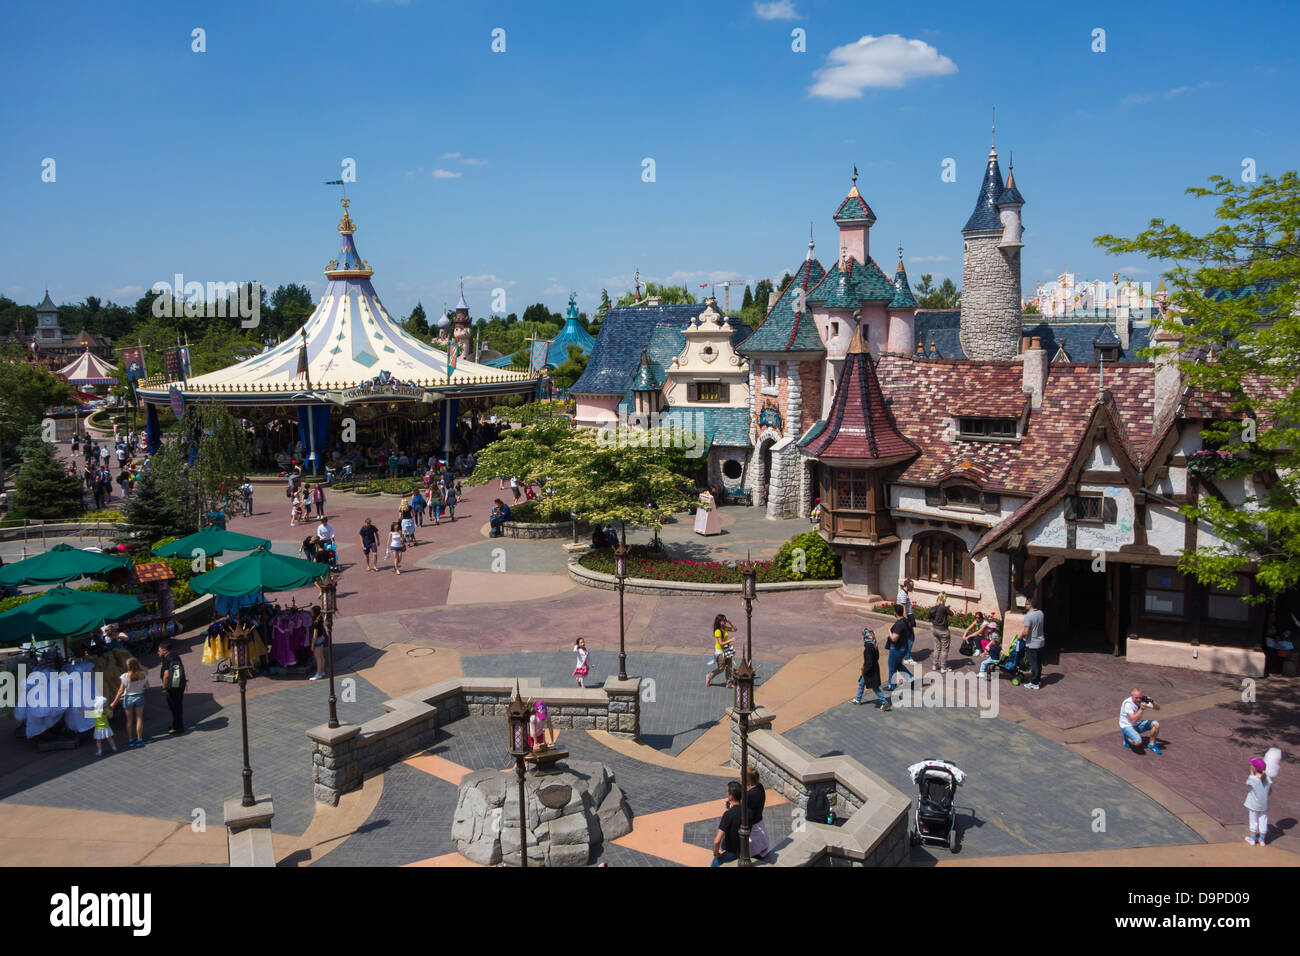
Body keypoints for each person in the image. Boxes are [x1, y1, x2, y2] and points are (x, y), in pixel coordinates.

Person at [109, 657, 149, 748]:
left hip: (128, 698)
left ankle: (131, 740)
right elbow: (147, 687)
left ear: (128, 666)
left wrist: (113, 703)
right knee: (139, 719)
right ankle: (139, 739)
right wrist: (139, 688)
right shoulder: (143, 674)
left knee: (129, 720)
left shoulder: (124, 676)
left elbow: (120, 691)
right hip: (139, 696)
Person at [850, 627, 891, 710]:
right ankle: (858, 699)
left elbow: (869, 662)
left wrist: (864, 670)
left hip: (870, 670)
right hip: (873, 668)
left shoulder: (868, 649)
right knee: (862, 683)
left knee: (874, 687)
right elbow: (876, 658)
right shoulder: (874, 645)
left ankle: (885, 703)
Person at [1119, 687, 1162, 753]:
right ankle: (1127, 737)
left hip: (1138, 724)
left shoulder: (1141, 700)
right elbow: (1133, 720)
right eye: (1136, 698)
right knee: (1138, 742)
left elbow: (1157, 708)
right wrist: (1141, 709)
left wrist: (1152, 701)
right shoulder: (1128, 703)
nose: (1138, 700)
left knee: (1156, 724)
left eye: (1139, 697)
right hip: (1127, 726)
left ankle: (1152, 744)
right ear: (1132, 696)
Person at [710, 780, 744, 867]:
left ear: (731, 797)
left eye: (727, 792)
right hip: (742, 850)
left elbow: (717, 841)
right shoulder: (748, 812)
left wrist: (716, 853)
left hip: (729, 852)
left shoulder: (728, 815)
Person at [158, 639, 186, 734]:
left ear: (165, 650)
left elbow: (166, 675)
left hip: (171, 687)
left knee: (174, 707)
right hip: (180, 685)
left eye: (159, 650)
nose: (158, 652)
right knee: (178, 705)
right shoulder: (176, 656)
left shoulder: (166, 659)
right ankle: (178, 724)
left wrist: (164, 687)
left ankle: (178, 727)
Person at [883, 605, 914, 691]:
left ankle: (892, 685)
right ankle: (911, 679)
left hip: (896, 649)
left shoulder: (899, 624)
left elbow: (894, 638)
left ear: (895, 613)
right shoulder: (905, 621)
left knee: (892, 667)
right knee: (899, 665)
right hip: (903, 647)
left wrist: (889, 630)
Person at [1244, 757, 1273, 846]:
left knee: (1253, 819)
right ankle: (1262, 840)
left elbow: (1248, 782)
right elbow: (1270, 792)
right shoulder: (1267, 779)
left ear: (1254, 768)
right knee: (1263, 819)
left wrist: (1252, 773)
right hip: (1263, 804)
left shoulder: (1252, 779)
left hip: (1253, 804)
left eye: (1252, 765)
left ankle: (1253, 839)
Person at [1019, 596, 1045, 690]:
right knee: (1038, 662)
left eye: (1026, 604)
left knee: (1033, 663)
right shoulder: (1041, 613)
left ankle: (1034, 683)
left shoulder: (1029, 615)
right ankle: (1037, 679)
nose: (1025, 605)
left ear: (1030, 605)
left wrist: (1020, 636)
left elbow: (1026, 631)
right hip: (1041, 641)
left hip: (1032, 643)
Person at [706, 613, 737, 688]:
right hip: (720, 652)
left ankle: (728, 683)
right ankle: (709, 676)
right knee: (721, 668)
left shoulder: (724, 628)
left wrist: (730, 622)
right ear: (719, 621)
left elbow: (735, 629)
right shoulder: (717, 631)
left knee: (729, 666)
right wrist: (731, 640)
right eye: (724, 620)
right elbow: (721, 643)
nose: (725, 621)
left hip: (727, 650)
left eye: (725, 620)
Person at [745, 766, 770, 859]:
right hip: (760, 823)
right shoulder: (760, 787)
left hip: (753, 828)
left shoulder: (749, 795)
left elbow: (742, 810)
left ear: (747, 779)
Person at [930, 592, 953, 673]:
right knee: (944, 650)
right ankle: (943, 667)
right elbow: (952, 614)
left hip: (934, 629)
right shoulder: (944, 607)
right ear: (944, 599)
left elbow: (930, 616)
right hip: (943, 630)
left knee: (936, 648)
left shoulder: (935, 607)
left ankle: (934, 665)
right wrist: (948, 608)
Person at [896, 579, 916, 665]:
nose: (913, 587)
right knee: (911, 637)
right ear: (907, 586)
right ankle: (907, 657)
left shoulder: (902, 592)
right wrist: (906, 621)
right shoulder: (903, 594)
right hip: (907, 616)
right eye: (912, 586)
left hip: (906, 616)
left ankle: (903, 654)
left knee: (905, 637)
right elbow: (904, 608)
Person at [309, 606, 328, 681]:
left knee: (318, 658)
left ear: (315, 612)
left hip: (317, 640)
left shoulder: (316, 622)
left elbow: (315, 635)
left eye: (312, 611)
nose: (311, 613)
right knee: (322, 657)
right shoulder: (320, 619)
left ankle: (318, 674)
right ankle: (322, 671)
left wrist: (312, 645)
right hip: (321, 638)